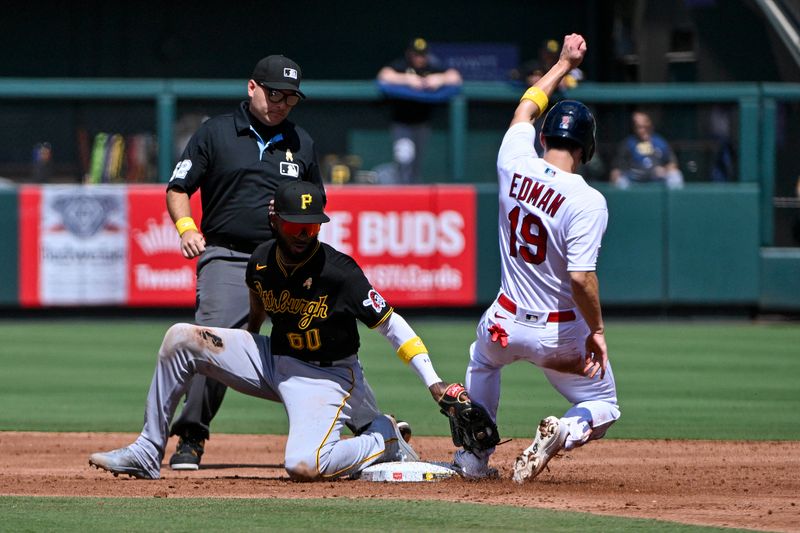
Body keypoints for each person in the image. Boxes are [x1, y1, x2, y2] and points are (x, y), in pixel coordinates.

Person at [89, 180, 466, 481]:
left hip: (326, 375)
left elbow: (391, 325)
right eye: (294, 225)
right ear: (276, 222)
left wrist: (432, 379)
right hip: (272, 358)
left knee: (304, 465)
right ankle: (148, 449)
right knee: (181, 338)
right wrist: (243, 348)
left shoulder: (340, 273)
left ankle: (381, 437)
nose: (304, 233)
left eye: (312, 225)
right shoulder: (261, 261)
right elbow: (257, 308)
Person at [451, 34, 621, 482]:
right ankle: (563, 429)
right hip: (559, 333)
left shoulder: (513, 161)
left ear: (544, 135)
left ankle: (474, 456)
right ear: (587, 148)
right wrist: (597, 332)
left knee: (482, 360)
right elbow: (582, 278)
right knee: (604, 406)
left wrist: (563, 63)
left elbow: (526, 106)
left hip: (503, 322)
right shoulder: (587, 200)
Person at [165, 54, 324, 471]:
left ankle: (367, 425)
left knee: (326, 336)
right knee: (211, 340)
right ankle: (191, 435)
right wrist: (185, 228)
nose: (282, 104)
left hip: (287, 259)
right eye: (275, 94)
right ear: (251, 87)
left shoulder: (301, 142)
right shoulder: (215, 133)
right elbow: (178, 187)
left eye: (291, 98)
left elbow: (317, 203)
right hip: (229, 256)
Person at [376, 37, 462, 184]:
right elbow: (384, 75)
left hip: (422, 124)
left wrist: (440, 79)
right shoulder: (402, 65)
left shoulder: (432, 65)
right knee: (404, 157)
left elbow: (456, 77)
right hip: (401, 122)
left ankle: (411, 195)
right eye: (416, 54)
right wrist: (407, 79)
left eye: (422, 54)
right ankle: (388, 178)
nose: (419, 58)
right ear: (409, 53)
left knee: (416, 165)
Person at [610, 110, 684, 189]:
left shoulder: (660, 142)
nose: (643, 130)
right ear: (634, 128)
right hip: (634, 179)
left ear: (650, 125)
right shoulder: (628, 143)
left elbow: (672, 163)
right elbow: (616, 169)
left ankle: (673, 201)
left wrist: (664, 170)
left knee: (675, 175)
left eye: (645, 126)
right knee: (620, 181)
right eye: (639, 127)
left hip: (657, 178)